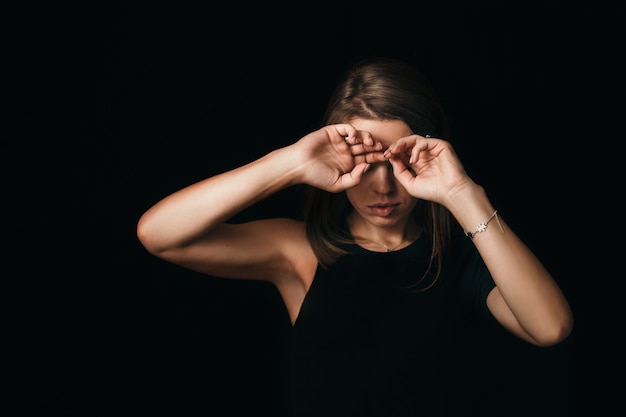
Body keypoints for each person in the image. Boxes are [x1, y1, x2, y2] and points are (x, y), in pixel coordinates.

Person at [136, 57, 574, 416]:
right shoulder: (300, 250)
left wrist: (461, 193)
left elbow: (550, 328)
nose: (383, 188)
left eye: (399, 161)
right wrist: (289, 164)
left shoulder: (467, 257)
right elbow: (160, 234)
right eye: (366, 161)